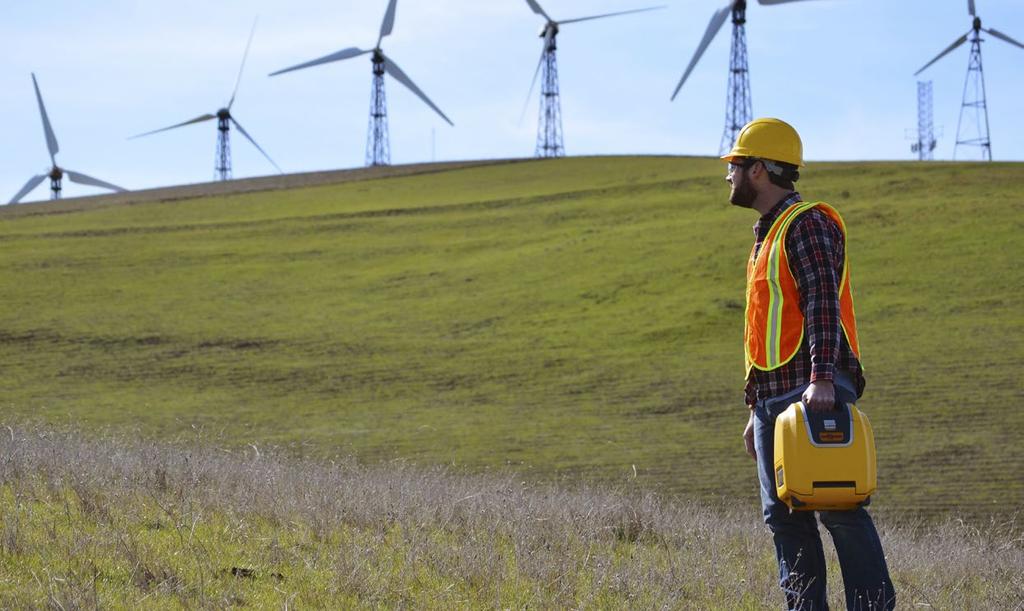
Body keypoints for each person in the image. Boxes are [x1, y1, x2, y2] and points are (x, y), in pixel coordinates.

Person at [724, 118, 895, 610]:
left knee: (840, 509)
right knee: (783, 518)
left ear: (759, 169)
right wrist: (755, 410)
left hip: (812, 388)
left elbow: (821, 302)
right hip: (774, 399)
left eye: (734, 166)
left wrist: (822, 377)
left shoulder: (807, 223)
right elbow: (768, 326)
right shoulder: (766, 235)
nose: (728, 177)